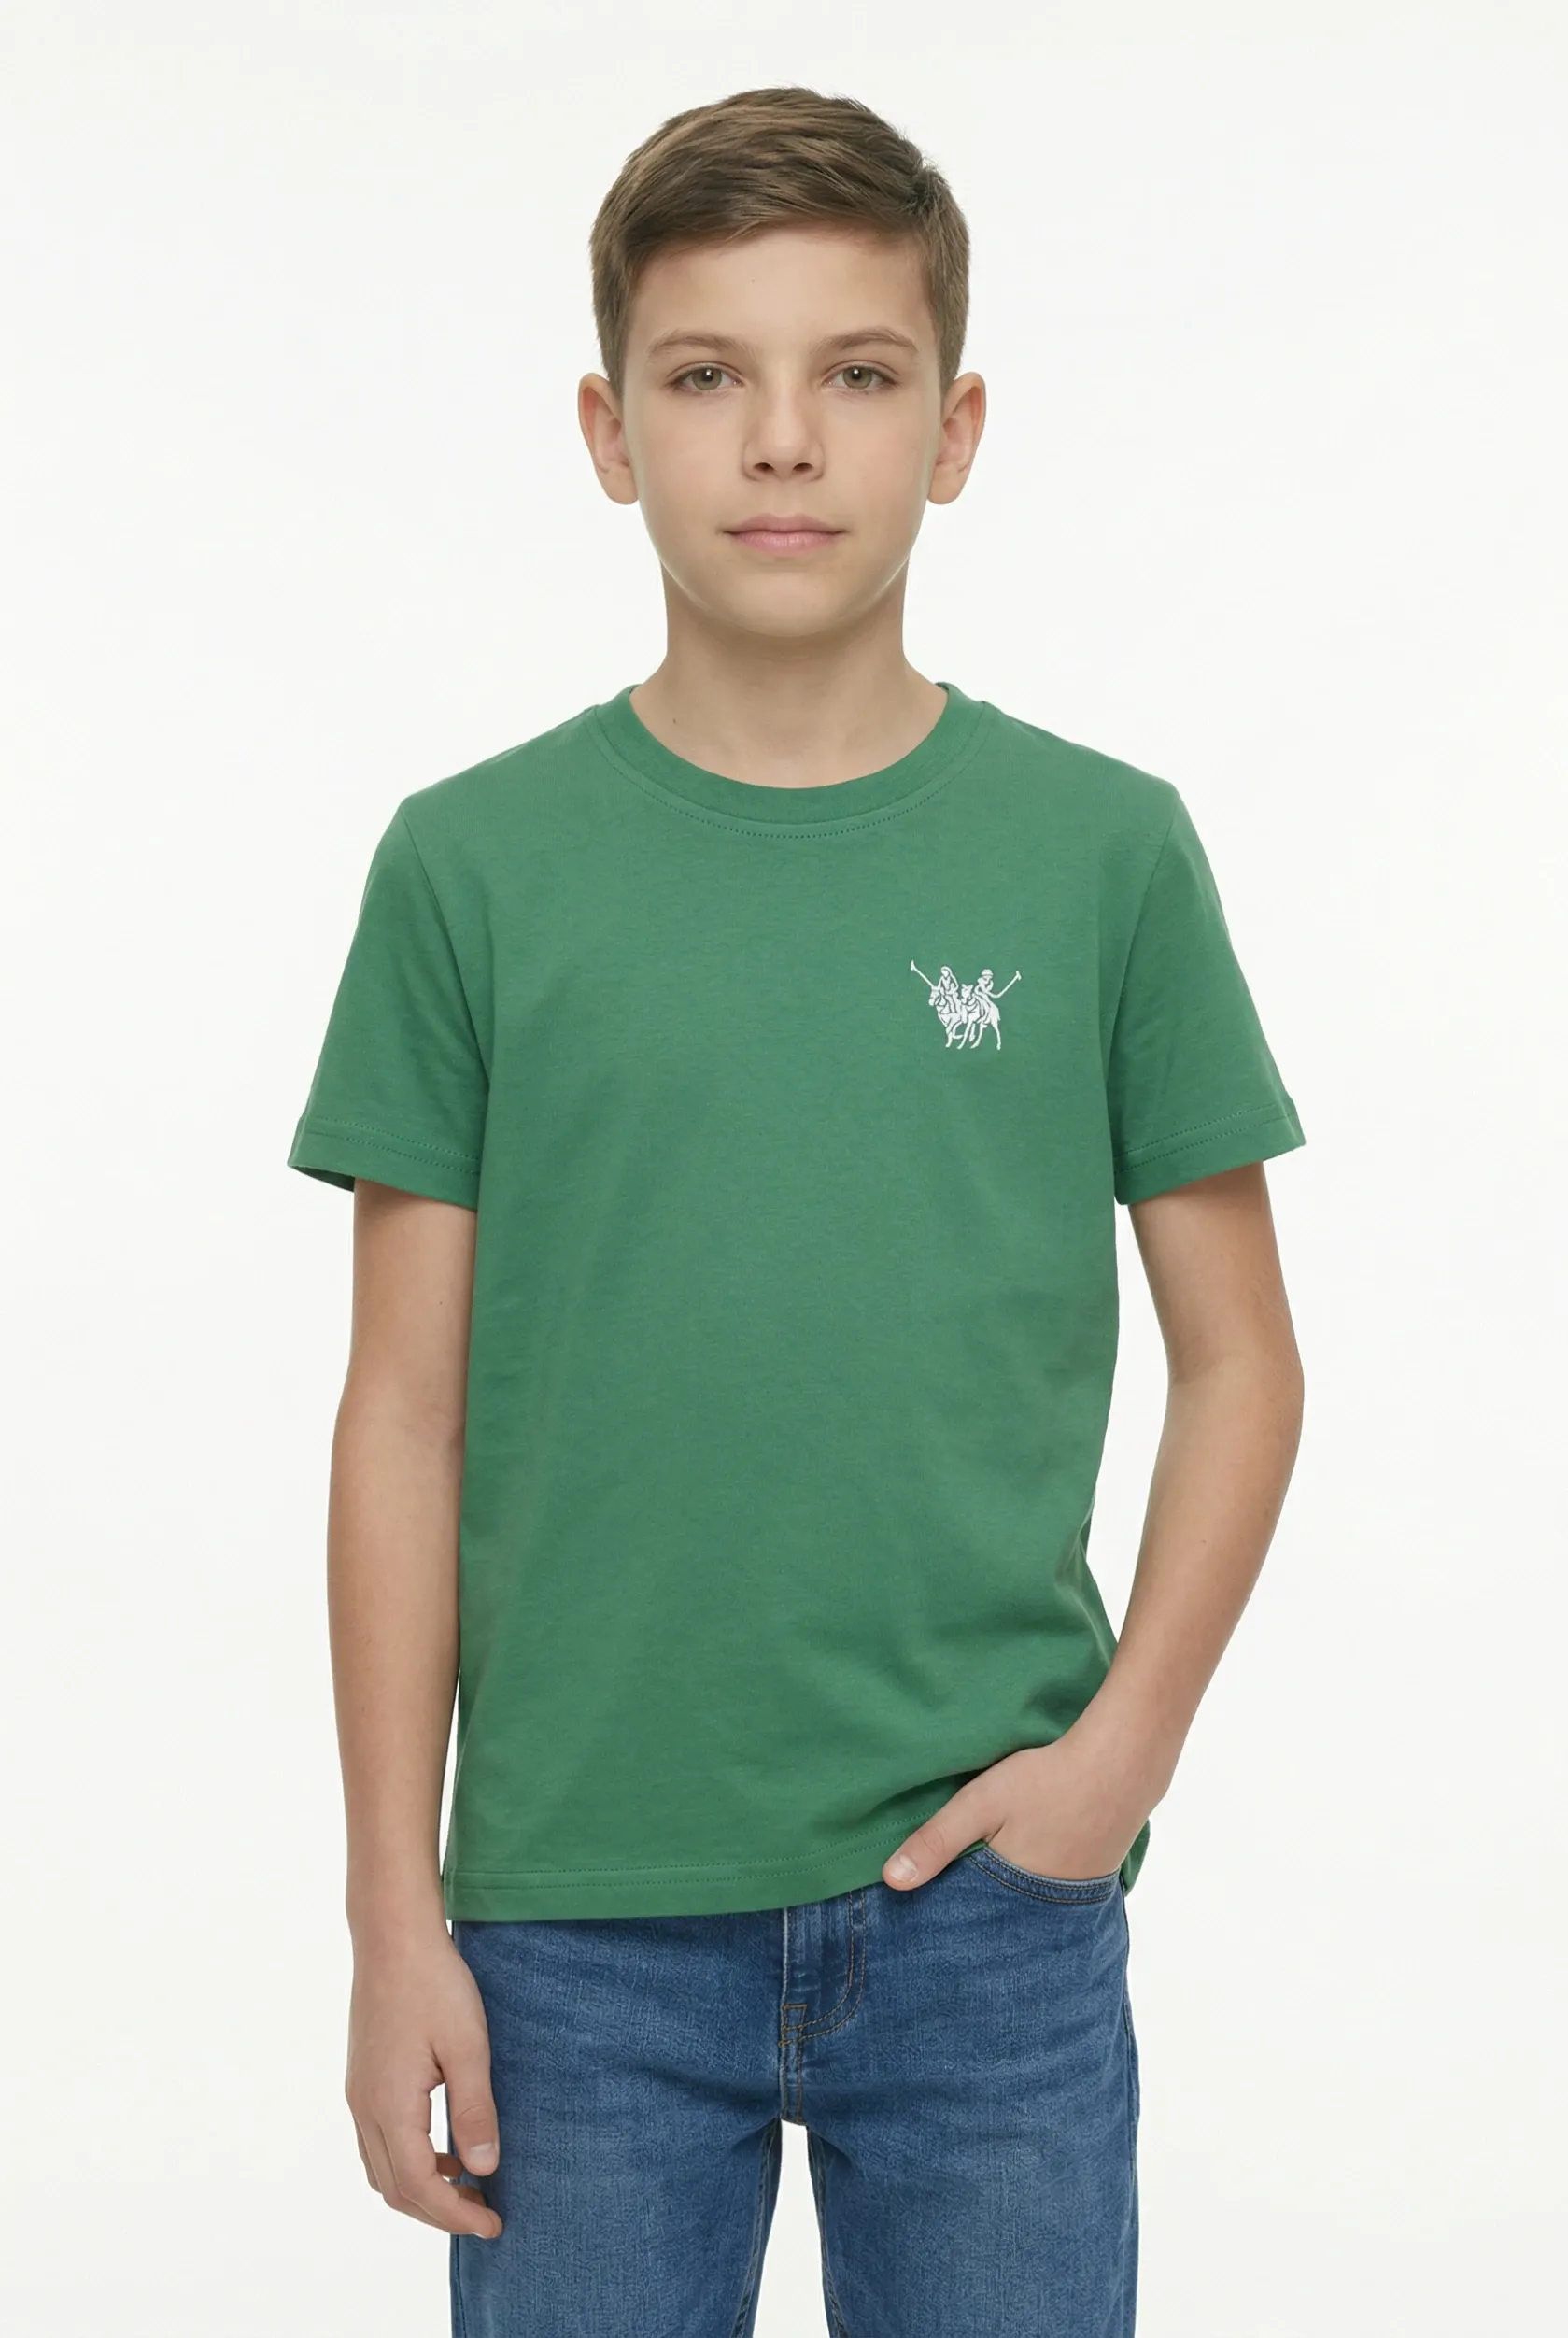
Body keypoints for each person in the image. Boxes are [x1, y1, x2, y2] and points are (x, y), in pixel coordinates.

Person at [286, 82, 1307, 2338]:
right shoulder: (468, 871)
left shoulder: (1099, 853)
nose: (777, 441)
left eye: (851, 373)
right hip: (571, 1934)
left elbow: (1241, 1359)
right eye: (702, 375)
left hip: (986, 1919)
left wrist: (1118, 1759)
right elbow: (402, 1420)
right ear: (606, 429)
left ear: (951, 431)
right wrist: (390, 1912)